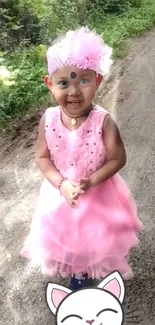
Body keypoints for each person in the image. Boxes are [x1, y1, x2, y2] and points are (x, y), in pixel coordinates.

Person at [21, 27, 142, 290]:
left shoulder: (104, 122)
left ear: (97, 81)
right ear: (49, 84)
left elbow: (117, 158)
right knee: (69, 237)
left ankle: (92, 272)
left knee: (95, 237)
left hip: (96, 193)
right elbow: (42, 157)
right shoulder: (49, 120)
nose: (74, 91)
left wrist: (91, 180)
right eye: (64, 83)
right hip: (59, 192)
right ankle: (79, 273)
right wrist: (61, 183)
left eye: (83, 81)